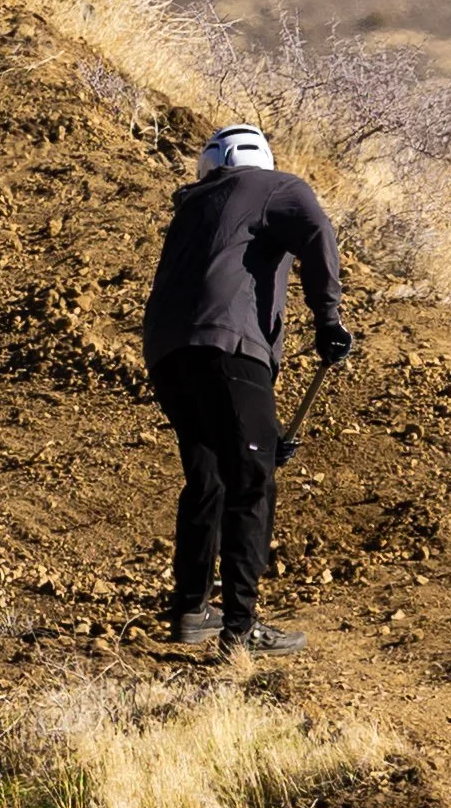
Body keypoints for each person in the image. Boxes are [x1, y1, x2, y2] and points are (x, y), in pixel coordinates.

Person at [143, 123, 353, 656]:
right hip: (231, 348)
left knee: (208, 476)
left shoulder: (191, 206)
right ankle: (240, 629)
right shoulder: (279, 186)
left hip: (169, 356)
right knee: (252, 483)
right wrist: (328, 319)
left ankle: (192, 609)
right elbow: (317, 232)